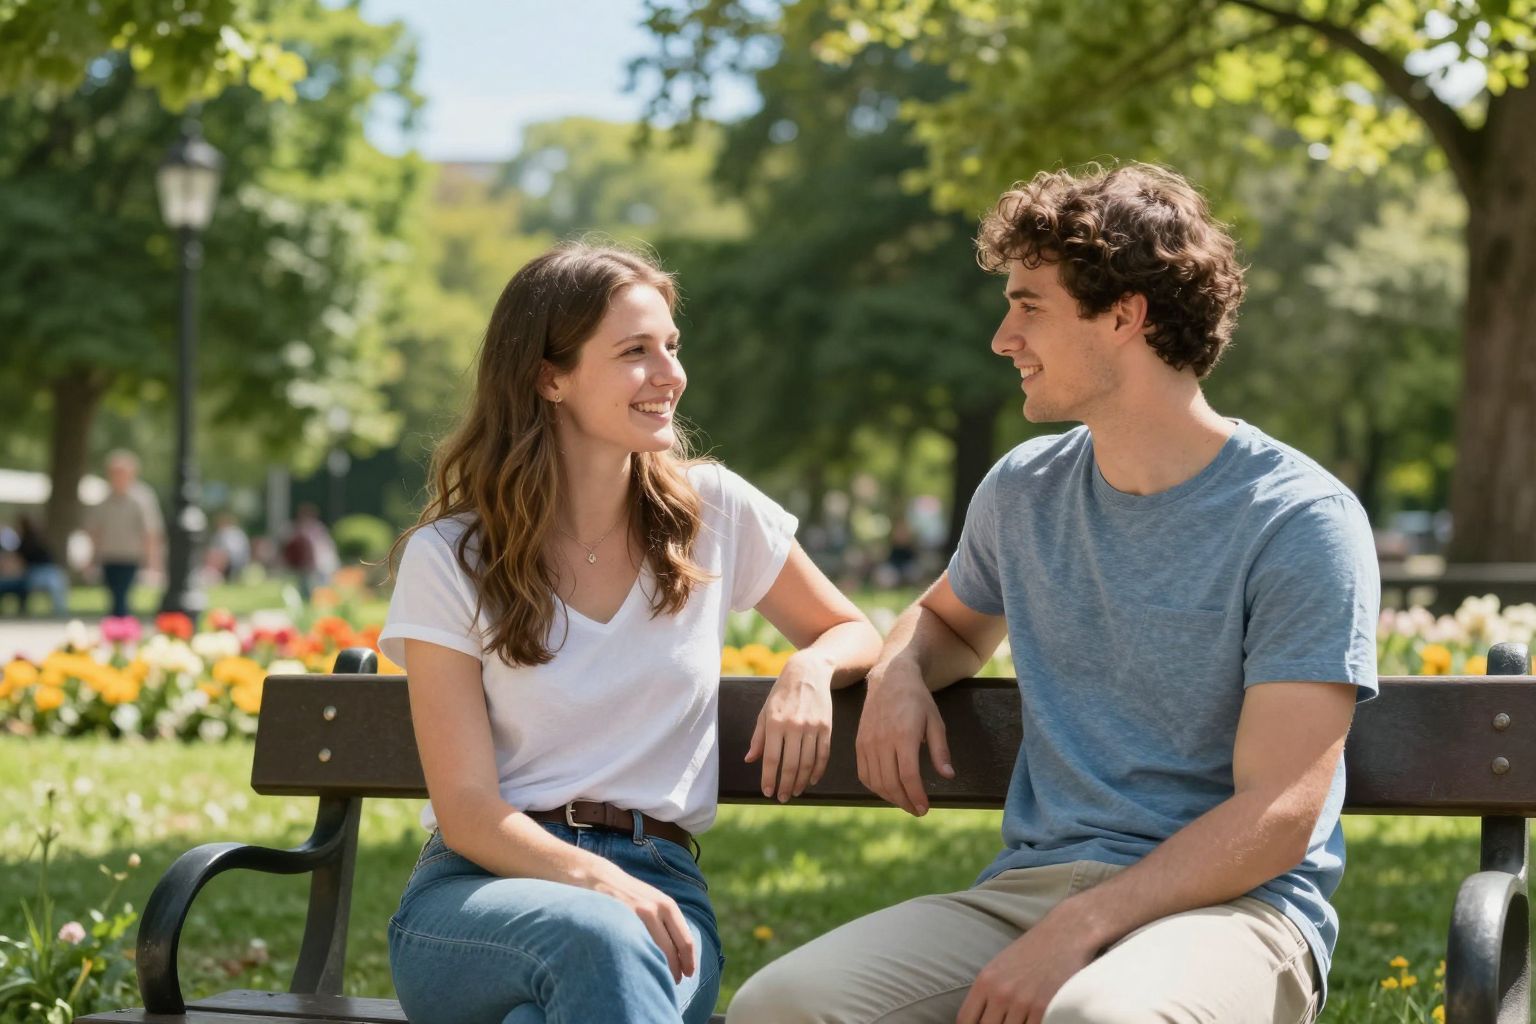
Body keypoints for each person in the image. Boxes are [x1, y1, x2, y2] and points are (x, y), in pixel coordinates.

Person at [727, 163, 1378, 1024]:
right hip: (1031, 892)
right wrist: (898, 669)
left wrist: (1083, 925)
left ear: (1125, 316)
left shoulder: (1298, 519)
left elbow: (1280, 813)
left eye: (1029, 306)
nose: (1003, 338)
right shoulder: (1024, 488)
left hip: (1236, 912)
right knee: (784, 1003)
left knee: (1095, 1018)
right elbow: (948, 623)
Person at [378, 242, 882, 1024]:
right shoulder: (451, 557)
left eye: (672, 347)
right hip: (478, 897)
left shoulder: (714, 513)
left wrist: (810, 669)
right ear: (549, 377)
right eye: (635, 352)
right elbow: (468, 809)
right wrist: (599, 884)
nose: (670, 373)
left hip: (664, 892)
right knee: (600, 939)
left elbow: (851, 630)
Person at [85, 450, 164, 618]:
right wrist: (92, 559)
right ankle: (118, 625)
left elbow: (150, 532)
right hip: (109, 556)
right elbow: (95, 531)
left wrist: (152, 563)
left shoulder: (142, 498)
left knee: (121, 598)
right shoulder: (104, 499)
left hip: (131, 557)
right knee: (114, 597)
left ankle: (121, 626)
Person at [282, 503, 337, 601]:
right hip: (312, 565)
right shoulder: (299, 529)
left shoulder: (313, 529)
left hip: (319, 565)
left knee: (319, 591)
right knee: (310, 591)